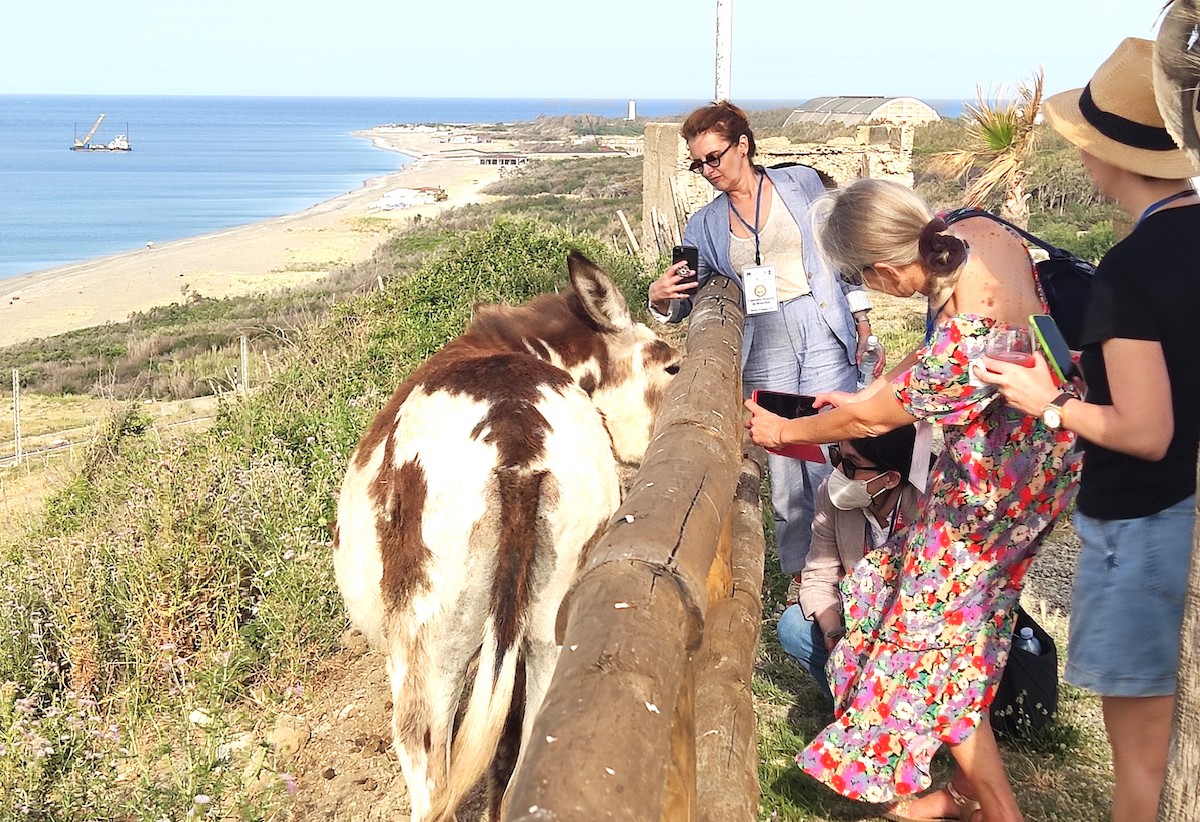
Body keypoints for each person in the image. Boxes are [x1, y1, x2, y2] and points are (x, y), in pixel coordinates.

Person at [745, 177, 1081, 822]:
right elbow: (919, 371)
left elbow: (874, 424)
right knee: (902, 611)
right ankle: (978, 805)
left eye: (867, 280)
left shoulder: (967, 328)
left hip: (992, 494)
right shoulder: (976, 230)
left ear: (882, 267)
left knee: (921, 636)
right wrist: (870, 392)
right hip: (1035, 471)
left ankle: (960, 805)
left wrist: (785, 431)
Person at [977, 38, 1200, 822]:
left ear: (1115, 156)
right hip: (1185, 517)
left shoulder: (1134, 268)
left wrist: (1047, 399)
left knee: (1142, 762)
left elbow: (1144, 430)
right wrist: (1092, 362)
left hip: (1142, 526)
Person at [648, 101, 882, 587]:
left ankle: (856, 562)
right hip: (764, 336)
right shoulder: (704, 224)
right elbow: (687, 295)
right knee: (782, 456)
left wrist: (861, 318)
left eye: (714, 157)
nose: (707, 171)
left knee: (831, 442)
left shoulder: (801, 184)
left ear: (743, 145)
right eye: (698, 163)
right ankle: (805, 573)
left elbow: (842, 253)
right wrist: (659, 298)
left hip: (820, 325)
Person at [777, 425, 920, 702]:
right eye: (836, 457)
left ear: (890, 478)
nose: (839, 473)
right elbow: (819, 574)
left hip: (912, 631)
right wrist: (833, 632)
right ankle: (855, 701)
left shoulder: (927, 504)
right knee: (793, 627)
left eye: (851, 466)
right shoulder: (831, 498)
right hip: (859, 624)